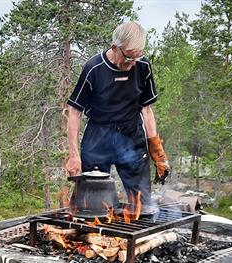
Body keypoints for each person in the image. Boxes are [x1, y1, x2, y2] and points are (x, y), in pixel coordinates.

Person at [65, 21, 170, 215]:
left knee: (143, 207)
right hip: (98, 137)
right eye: (129, 58)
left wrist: (157, 150)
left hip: (132, 137)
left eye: (136, 58)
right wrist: (73, 155)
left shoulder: (143, 66)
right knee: (90, 208)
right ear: (115, 47)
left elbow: (146, 109)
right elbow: (74, 110)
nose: (132, 64)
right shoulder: (94, 68)